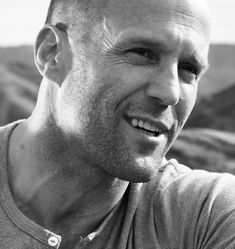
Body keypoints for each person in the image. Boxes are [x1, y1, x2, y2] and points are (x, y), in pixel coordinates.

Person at [1, 0, 235, 248]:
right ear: (52, 55)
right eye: (142, 53)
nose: (170, 94)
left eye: (189, 68)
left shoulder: (207, 215)